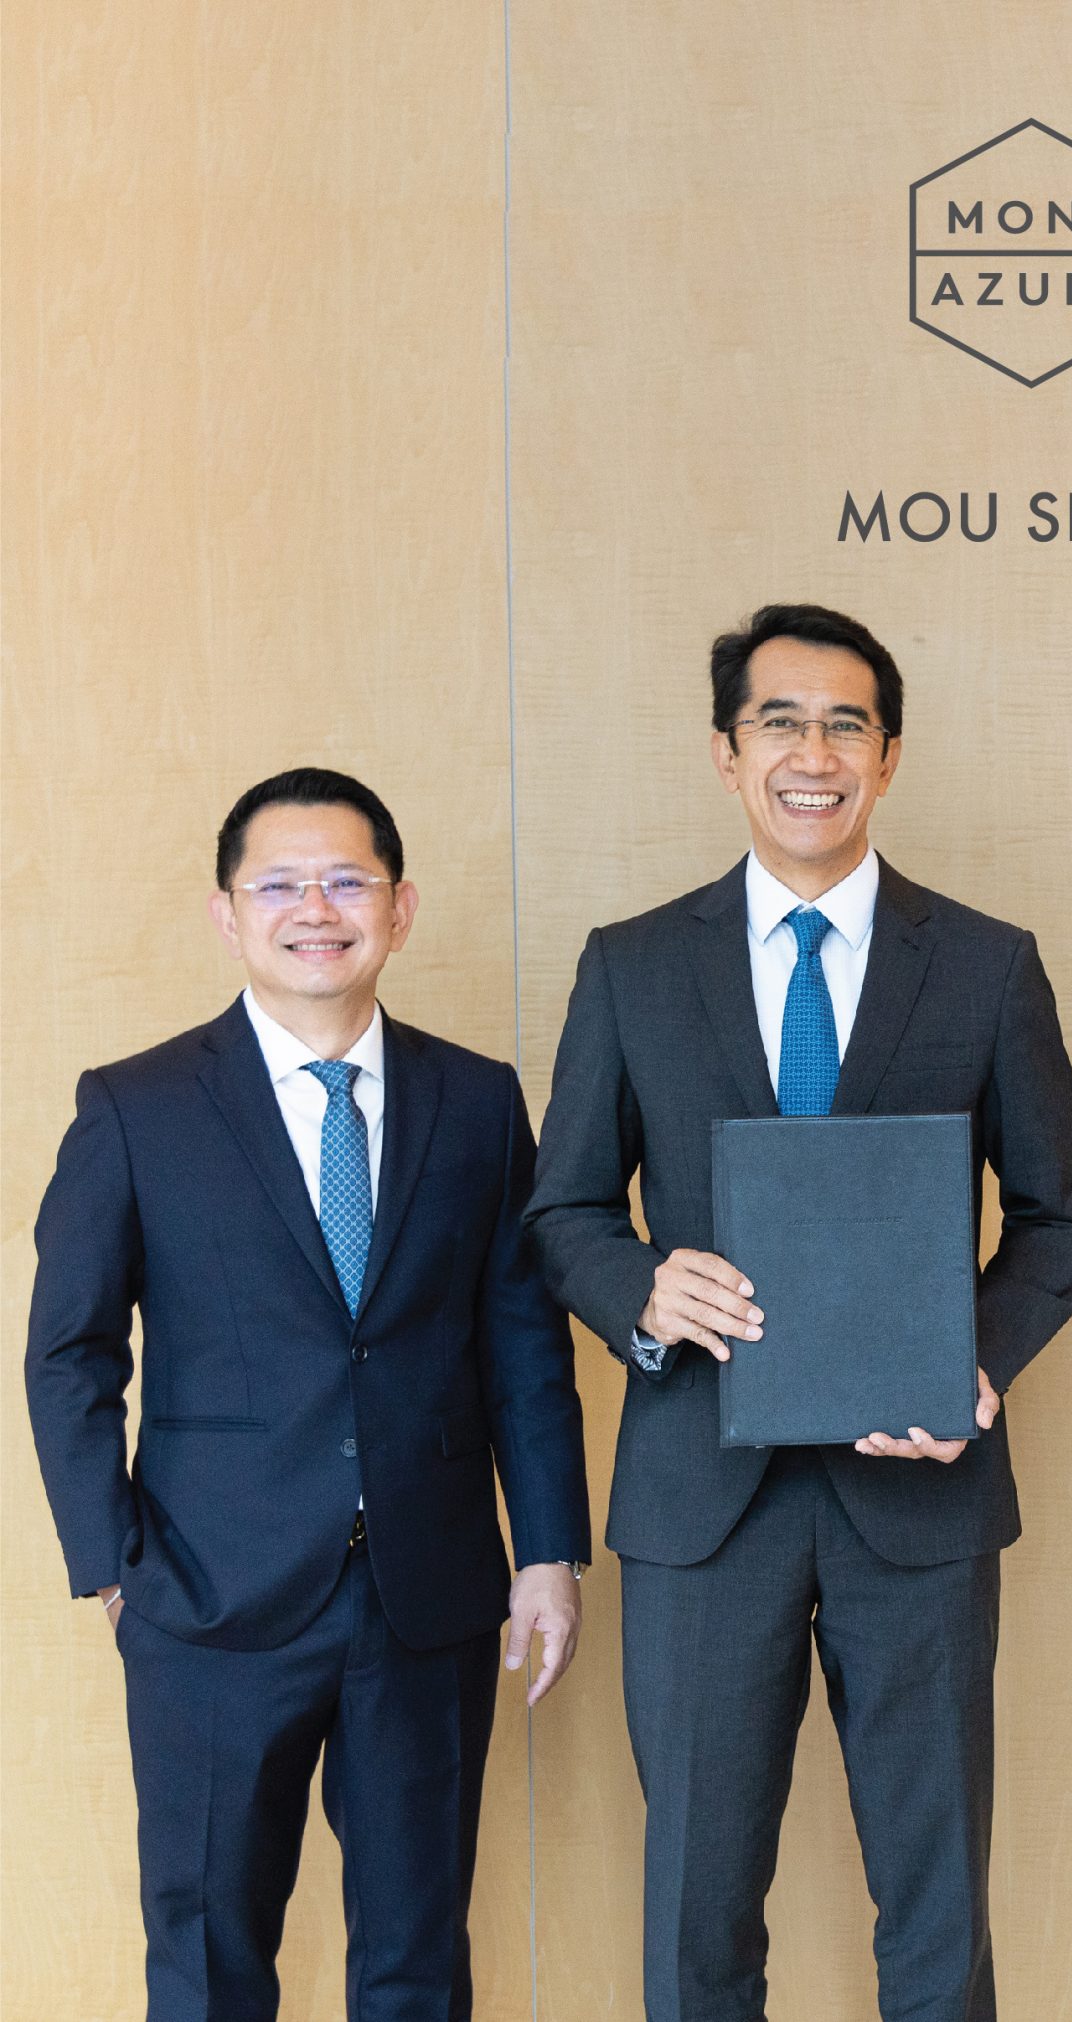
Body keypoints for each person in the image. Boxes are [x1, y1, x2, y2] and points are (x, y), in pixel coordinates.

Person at [525, 603, 1072, 2020]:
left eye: (847, 724)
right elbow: (564, 1212)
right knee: (697, 1910)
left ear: (888, 757)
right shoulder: (632, 964)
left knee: (936, 1906)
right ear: (726, 753)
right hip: (699, 1498)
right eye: (779, 721)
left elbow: (1059, 1220)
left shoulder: (985, 963)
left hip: (919, 1494)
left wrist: (975, 1362)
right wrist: (642, 1287)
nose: (814, 752)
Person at [25, 768, 590, 2022]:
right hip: (206, 1599)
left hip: (428, 1597)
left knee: (417, 1959)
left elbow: (523, 1343)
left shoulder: (476, 1100)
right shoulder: (136, 1106)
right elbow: (69, 1351)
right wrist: (112, 1567)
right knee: (209, 1959)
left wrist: (549, 1551)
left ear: (400, 908)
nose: (315, 909)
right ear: (228, 914)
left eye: (347, 881)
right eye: (278, 884)